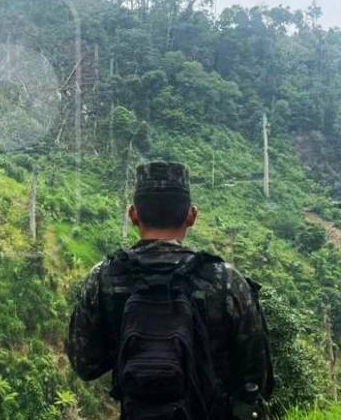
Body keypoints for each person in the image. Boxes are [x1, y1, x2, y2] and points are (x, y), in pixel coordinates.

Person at [67, 162, 273, 420]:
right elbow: (257, 379)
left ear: (133, 215)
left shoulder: (104, 278)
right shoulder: (225, 281)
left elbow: (85, 365)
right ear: (191, 216)